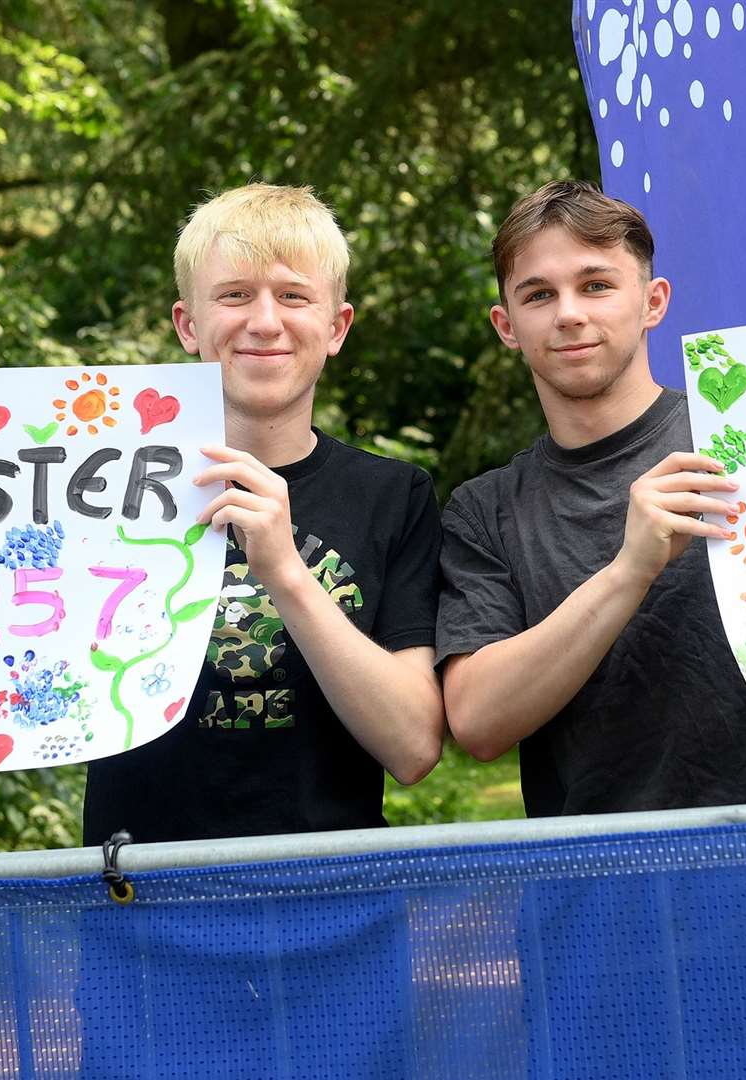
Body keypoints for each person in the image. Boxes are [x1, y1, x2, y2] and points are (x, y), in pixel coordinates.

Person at [436, 180, 746, 816]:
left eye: (596, 285)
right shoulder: (485, 510)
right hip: (597, 889)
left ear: (653, 301)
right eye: (539, 294)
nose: (569, 312)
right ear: (506, 325)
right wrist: (630, 570)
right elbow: (478, 721)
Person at [81, 183, 444, 845]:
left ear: (336, 328)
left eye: (293, 295)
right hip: (138, 906)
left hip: (333, 907)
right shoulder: (97, 493)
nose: (265, 321)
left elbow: (415, 746)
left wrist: (286, 574)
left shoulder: (394, 497)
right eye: (234, 294)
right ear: (188, 325)